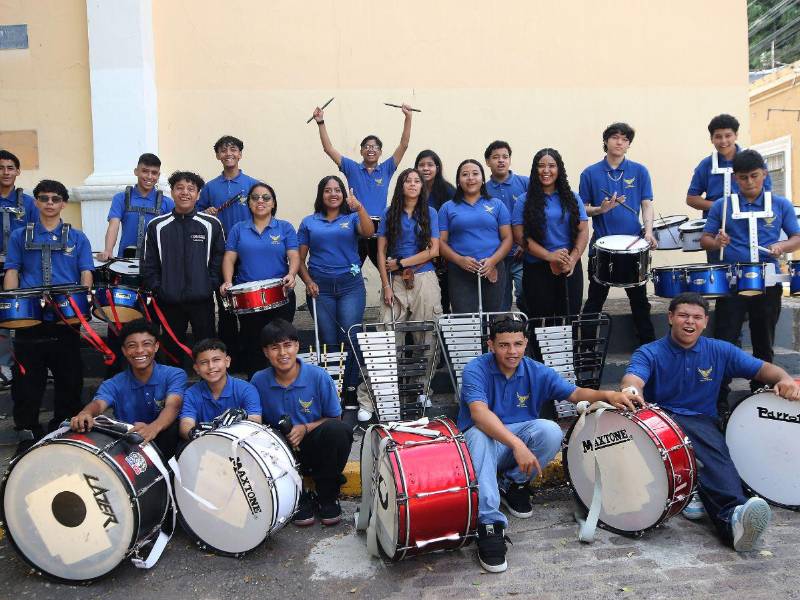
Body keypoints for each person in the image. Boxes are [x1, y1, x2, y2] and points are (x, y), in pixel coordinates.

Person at [620, 292, 800, 551]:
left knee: (715, 457)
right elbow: (633, 380)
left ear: (705, 322)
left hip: (702, 421)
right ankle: (732, 517)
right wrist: (631, 392)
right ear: (670, 318)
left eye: (696, 317)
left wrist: (784, 379)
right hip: (660, 422)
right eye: (683, 315)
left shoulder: (720, 350)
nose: (689, 322)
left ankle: (709, 499)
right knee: (709, 455)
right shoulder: (649, 352)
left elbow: (763, 369)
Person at [458, 317, 637, 573]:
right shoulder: (475, 369)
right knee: (479, 434)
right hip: (478, 448)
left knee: (550, 430)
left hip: (512, 445)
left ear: (526, 343)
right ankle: (489, 524)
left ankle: (513, 484)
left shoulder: (535, 370)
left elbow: (574, 393)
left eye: (518, 344)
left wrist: (608, 395)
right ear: (491, 345)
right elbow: (479, 414)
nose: (512, 351)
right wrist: (517, 444)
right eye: (504, 345)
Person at [700, 149, 800, 412]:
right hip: (732, 282)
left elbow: (796, 237)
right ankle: (719, 400)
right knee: (724, 340)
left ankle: (762, 396)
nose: (749, 182)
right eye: (743, 177)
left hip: (768, 282)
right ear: (735, 178)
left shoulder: (780, 204)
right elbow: (705, 239)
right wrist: (717, 241)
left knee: (763, 340)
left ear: (764, 174)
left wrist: (782, 246)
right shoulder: (723, 206)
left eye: (754, 176)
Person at [3, 179, 93, 454]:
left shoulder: (78, 237)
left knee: (70, 376)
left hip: (66, 317)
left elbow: (86, 271)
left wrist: (84, 303)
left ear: (63, 203)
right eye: (44, 198)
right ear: (36, 202)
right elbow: (12, 270)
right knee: (26, 379)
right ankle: (27, 431)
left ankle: (64, 427)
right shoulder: (19, 236)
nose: (50, 203)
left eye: (55, 199)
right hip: (29, 317)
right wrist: (12, 306)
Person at [356, 168, 442, 422]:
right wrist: (385, 285)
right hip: (394, 282)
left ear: (422, 186)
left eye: (417, 181)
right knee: (385, 337)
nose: (413, 184)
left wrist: (403, 262)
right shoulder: (389, 212)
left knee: (428, 335)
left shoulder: (430, 212)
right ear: (401, 185)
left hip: (424, 278)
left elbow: (433, 250)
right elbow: (381, 252)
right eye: (408, 180)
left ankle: (422, 390)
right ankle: (370, 398)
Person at [251, 319, 353, 526]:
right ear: (265, 352)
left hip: (315, 448)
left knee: (339, 430)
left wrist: (305, 428)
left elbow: (334, 417)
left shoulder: (318, 376)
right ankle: (297, 497)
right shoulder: (258, 380)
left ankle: (327, 495)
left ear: (297, 346)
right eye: (274, 347)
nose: (282, 353)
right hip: (281, 454)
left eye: (287, 345)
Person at [298, 176, 375, 405]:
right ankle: (333, 389)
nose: (333, 194)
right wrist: (308, 281)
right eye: (328, 190)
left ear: (343, 194)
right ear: (321, 194)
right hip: (320, 288)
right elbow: (299, 259)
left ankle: (350, 388)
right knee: (329, 340)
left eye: (337, 190)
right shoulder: (309, 222)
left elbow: (368, 232)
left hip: (350, 286)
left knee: (350, 336)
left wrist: (359, 207)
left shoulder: (352, 218)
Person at [580, 122, 656, 345]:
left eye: (624, 139)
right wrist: (600, 209)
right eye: (615, 137)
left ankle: (648, 348)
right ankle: (587, 349)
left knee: (640, 301)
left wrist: (649, 232)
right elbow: (582, 208)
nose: (619, 142)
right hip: (602, 247)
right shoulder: (590, 173)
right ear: (606, 141)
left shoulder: (640, 171)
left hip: (633, 246)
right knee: (595, 300)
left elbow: (647, 204)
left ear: (629, 144)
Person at [312, 103, 412, 267]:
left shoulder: (387, 168)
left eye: (375, 147)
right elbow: (328, 149)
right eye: (366, 146)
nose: (370, 149)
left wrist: (408, 117)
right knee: (351, 268)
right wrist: (320, 122)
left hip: (380, 227)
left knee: (387, 269)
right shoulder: (351, 168)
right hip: (356, 225)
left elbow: (404, 144)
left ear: (380, 152)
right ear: (361, 151)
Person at [69, 319, 186, 458]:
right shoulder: (113, 383)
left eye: (146, 344)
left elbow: (173, 405)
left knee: (173, 429)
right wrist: (85, 413)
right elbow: (98, 404)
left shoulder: (174, 374)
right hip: (131, 444)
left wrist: (152, 428)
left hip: (166, 442)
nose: (140, 350)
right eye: (132, 345)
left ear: (156, 346)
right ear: (124, 351)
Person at [142, 171, 224, 368]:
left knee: (207, 349)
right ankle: (174, 386)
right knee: (171, 352)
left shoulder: (211, 224)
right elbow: (148, 263)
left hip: (202, 300)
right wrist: (159, 288)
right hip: (168, 301)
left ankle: (208, 385)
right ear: (172, 192)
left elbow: (219, 258)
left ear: (198, 194)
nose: (185, 192)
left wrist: (210, 284)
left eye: (191, 189)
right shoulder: (157, 226)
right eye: (179, 188)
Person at [221, 182, 299, 378]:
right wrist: (228, 281)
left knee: (280, 342)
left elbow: (294, 255)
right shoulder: (238, 229)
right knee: (254, 345)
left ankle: (282, 382)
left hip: (280, 295)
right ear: (249, 203)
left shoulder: (285, 227)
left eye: (266, 197)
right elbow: (229, 258)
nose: (260, 201)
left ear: (273, 203)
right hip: (249, 300)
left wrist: (291, 274)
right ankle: (256, 384)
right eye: (255, 198)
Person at [197, 136, 261, 368]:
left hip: (247, 254)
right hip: (220, 254)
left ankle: (250, 356)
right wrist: (206, 212)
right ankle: (230, 357)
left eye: (233, 149)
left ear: (240, 154)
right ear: (217, 155)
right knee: (226, 308)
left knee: (249, 307)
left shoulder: (253, 185)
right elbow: (197, 215)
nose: (228, 154)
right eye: (223, 150)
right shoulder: (209, 187)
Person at [512, 148, 588, 319]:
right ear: (535, 169)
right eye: (541, 166)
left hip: (569, 267)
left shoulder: (573, 198)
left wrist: (573, 259)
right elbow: (519, 236)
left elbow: (583, 230)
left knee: (569, 320)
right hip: (537, 269)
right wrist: (549, 256)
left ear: (559, 169)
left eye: (552, 166)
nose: (546, 170)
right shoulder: (524, 200)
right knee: (541, 322)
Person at [686, 114, 772, 263]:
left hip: (749, 227)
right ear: (711, 139)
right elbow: (691, 198)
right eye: (718, 137)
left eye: (728, 135)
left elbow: (767, 193)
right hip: (716, 230)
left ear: (736, 135)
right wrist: (720, 207)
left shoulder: (752, 161)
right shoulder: (705, 165)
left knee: (753, 268)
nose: (723, 141)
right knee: (719, 270)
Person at [438, 159, 512, 314]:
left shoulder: (497, 204)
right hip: (459, 271)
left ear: (483, 179)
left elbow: (507, 238)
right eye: (465, 174)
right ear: (458, 181)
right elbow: (441, 242)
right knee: (465, 319)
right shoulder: (447, 207)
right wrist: (459, 260)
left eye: (475, 174)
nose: (470, 178)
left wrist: (492, 261)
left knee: (492, 319)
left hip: (492, 268)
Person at [0, 150, 38, 386]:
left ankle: (31, 361)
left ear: (18, 171)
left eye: (10, 168)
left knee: (25, 312)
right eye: (1, 168)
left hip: (22, 267)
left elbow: (38, 231)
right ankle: (3, 363)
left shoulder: (29, 203)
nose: (5, 172)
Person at [178, 338, 261, 440]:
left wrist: (244, 415)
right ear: (196, 368)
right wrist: (193, 432)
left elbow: (257, 420)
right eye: (204, 362)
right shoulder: (191, 393)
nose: (211, 366)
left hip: (239, 443)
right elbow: (186, 424)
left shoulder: (246, 389)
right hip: (204, 443)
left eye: (216, 360)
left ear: (227, 361)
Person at [97, 153, 173, 261]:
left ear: (158, 175)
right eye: (145, 171)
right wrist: (108, 250)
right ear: (136, 171)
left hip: (156, 263)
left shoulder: (168, 203)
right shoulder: (120, 198)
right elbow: (113, 225)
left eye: (154, 173)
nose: (149, 176)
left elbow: (173, 234)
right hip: (125, 261)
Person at [485, 141, 529, 312]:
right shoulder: (483, 190)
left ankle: (526, 328)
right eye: (496, 157)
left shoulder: (525, 183)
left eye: (505, 156)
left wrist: (525, 244)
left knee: (526, 295)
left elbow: (537, 215)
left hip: (523, 254)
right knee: (500, 302)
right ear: (488, 162)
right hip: (497, 257)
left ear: (510, 160)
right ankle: (502, 328)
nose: (501, 160)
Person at [415, 149, 455, 313]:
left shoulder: (448, 191)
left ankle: (443, 324)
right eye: (421, 165)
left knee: (443, 295)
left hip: (443, 250)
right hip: (418, 251)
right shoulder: (413, 189)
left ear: (437, 168)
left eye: (430, 165)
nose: (425, 168)